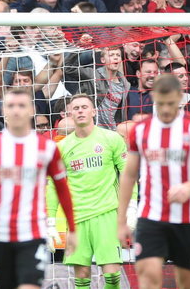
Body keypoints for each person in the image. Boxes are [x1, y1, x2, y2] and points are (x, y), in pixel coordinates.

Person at [0, 88, 78, 289]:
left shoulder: (47, 148)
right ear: (4, 112)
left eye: (21, 105)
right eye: (11, 106)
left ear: (32, 110)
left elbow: (62, 189)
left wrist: (72, 227)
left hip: (33, 232)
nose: (16, 110)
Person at [116, 73, 190, 289]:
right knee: (148, 276)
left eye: (171, 103)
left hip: (185, 218)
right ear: (153, 98)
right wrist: (121, 219)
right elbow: (129, 175)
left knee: (188, 282)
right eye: (161, 104)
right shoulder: (141, 130)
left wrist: (188, 187)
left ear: (180, 98)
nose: (166, 109)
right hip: (151, 216)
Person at [60, 94, 128, 289]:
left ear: (94, 112)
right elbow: (53, 184)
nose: (80, 110)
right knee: (81, 277)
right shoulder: (63, 147)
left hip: (107, 213)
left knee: (113, 274)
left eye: (84, 107)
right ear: (70, 114)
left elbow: (127, 174)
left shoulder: (111, 138)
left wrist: (130, 206)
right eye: (76, 108)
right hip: (77, 218)